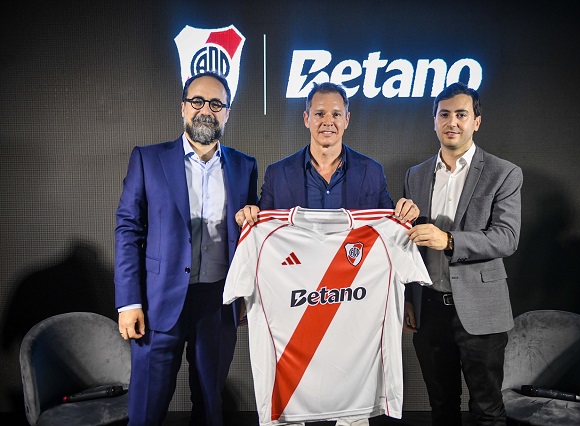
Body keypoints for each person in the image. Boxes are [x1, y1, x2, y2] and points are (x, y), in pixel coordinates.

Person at [236, 81, 419, 426]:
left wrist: (403, 215)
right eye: (319, 113)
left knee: (353, 409)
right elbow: (265, 236)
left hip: (353, 309)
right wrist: (250, 218)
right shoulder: (278, 173)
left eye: (336, 114)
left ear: (347, 119)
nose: (328, 121)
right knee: (291, 408)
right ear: (306, 118)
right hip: (297, 309)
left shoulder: (371, 171)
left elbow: (388, 235)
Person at [114, 71, 258, 426]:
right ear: (183, 108)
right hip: (157, 303)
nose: (205, 110)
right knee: (145, 411)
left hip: (217, 303)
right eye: (197, 101)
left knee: (210, 408)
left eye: (216, 104)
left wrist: (246, 293)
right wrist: (129, 302)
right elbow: (128, 230)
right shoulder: (148, 159)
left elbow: (251, 236)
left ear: (227, 113)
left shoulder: (245, 166)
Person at [403, 82, 523, 426]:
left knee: (488, 410)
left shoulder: (504, 173)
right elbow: (408, 244)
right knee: (441, 407)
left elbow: (506, 238)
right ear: (434, 121)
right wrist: (407, 298)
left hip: (481, 310)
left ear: (476, 122)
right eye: (444, 114)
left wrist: (449, 240)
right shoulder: (416, 175)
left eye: (461, 114)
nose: (452, 122)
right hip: (428, 310)